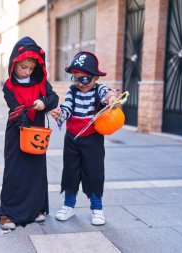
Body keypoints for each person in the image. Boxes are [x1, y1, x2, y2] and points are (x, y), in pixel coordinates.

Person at [50, 51, 118, 226]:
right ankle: (68, 206)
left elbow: (109, 92)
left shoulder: (99, 89)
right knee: (70, 173)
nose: (80, 83)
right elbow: (67, 107)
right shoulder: (73, 91)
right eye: (76, 78)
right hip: (72, 139)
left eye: (84, 79)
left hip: (93, 139)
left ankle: (97, 208)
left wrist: (111, 99)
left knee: (94, 173)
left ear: (95, 78)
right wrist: (60, 114)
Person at [0, 37, 59, 230]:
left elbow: (54, 97)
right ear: (14, 63)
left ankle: (37, 209)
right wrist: (29, 113)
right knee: (14, 172)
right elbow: (15, 108)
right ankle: (7, 214)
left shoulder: (41, 82)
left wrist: (45, 103)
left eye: (30, 68)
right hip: (17, 130)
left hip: (37, 131)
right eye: (23, 67)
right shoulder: (9, 86)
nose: (27, 71)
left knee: (36, 170)